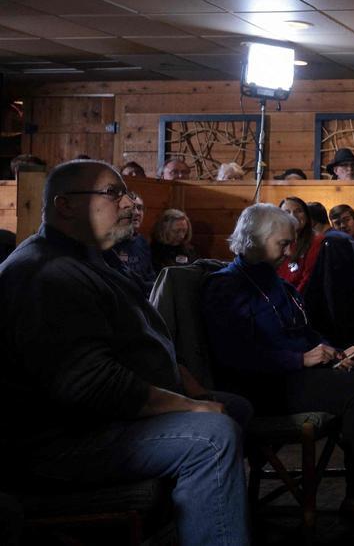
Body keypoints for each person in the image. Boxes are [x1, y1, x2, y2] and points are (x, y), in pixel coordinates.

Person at [0, 160, 249, 546]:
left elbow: (147, 342)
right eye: (114, 193)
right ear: (65, 205)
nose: (131, 203)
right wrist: (191, 408)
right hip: (60, 442)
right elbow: (93, 385)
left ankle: (209, 518)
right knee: (212, 436)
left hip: (106, 421)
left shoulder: (93, 257)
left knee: (234, 406)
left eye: (127, 194)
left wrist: (196, 394)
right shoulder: (46, 272)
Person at [202, 203, 354, 539]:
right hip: (261, 387)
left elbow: (303, 333)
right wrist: (300, 360)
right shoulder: (226, 286)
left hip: (293, 375)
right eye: (282, 244)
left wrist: (333, 353)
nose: (290, 251)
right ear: (254, 240)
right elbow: (234, 355)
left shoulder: (275, 283)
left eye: (291, 243)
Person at [111, 191, 156, 292]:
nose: (136, 213)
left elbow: (150, 277)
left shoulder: (142, 242)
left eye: (139, 208)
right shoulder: (107, 243)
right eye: (130, 208)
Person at [277, 196, 324, 293]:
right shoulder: (275, 241)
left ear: (307, 216)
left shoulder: (316, 241)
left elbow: (308, 281)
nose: (293, 216)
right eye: (287, 212)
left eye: (298, 211)